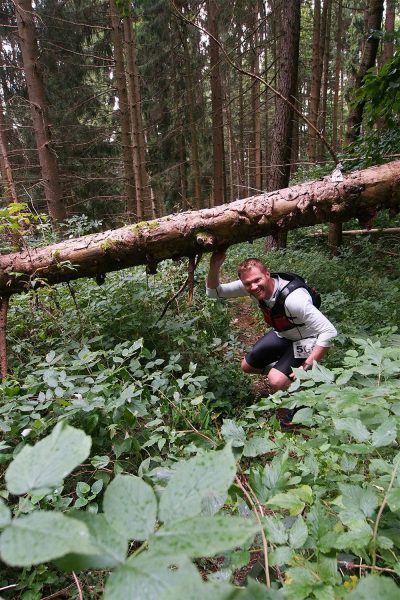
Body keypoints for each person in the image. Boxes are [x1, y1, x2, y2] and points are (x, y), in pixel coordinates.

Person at [206, 250, 337, 392]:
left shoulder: (294, 299)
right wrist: (214, 266)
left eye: (257, 280)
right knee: (247, 366)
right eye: (248, 283)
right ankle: (286, 375)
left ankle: (300, 392)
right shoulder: (251, 286)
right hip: (284, 334)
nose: (254, 287)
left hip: (308, 338)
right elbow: (214, 293)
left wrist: (307, 366)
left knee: (275, 380)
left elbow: (329, 331)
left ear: (267, 274)